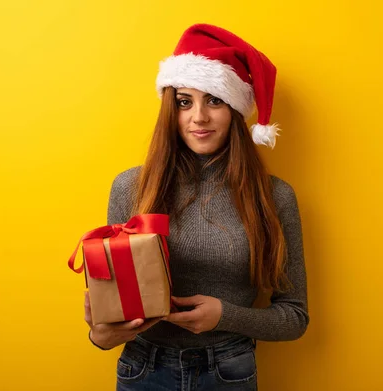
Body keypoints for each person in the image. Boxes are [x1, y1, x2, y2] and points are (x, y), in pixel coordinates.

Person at [83, 23, 309, 390]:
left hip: (229, 370)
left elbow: (294, 317)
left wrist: (225, 316)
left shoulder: (274, 197)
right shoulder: (130, 187)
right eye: (185, 101)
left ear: (235, 111)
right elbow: (111, 318)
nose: (198, 117)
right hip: (143, 369)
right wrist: (101, 332)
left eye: (214, 100)